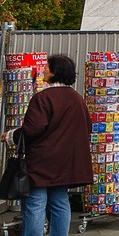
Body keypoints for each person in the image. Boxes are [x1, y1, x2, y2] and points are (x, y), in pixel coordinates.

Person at [0, 54, 90, 236]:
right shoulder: (77, 99)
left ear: (55, 72)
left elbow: (32, 130)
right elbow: (87, 128)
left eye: (47, 67)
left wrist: (10, 136)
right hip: (66, 163)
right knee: (60, 202)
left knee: (35, 204)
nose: (43, 70)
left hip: (41, 163)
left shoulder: (42, 99)